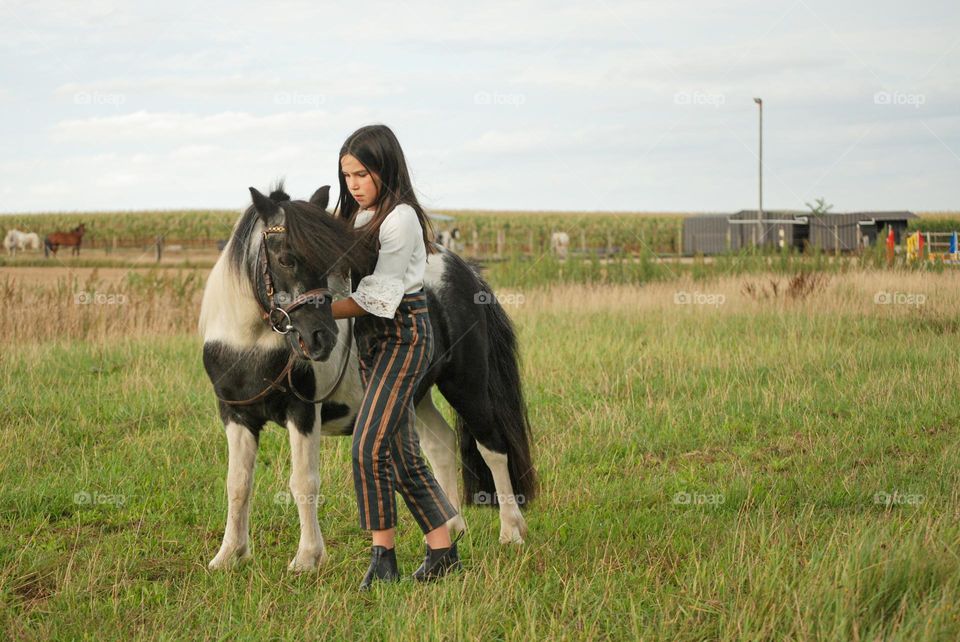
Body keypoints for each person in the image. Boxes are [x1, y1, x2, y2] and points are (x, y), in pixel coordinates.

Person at [330, 124, 462, 591]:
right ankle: (444, 551)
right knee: (403, 452)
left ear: (385, 169)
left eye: (362, 174)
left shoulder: (400, 218)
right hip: (370, 341)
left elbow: (380, 297)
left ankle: (383, 557)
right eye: (347, 175)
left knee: (368, 445)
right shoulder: (356, 219)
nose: (353, 184)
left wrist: (319, 310)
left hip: (403, 334)